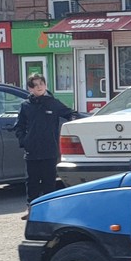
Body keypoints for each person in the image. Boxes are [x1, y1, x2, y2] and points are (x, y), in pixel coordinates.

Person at [13, 74, 80, 208]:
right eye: (35, 85)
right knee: (31, 181)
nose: (39, 87)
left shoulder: (53, 103)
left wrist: (73, 123)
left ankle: (48, 208)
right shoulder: (26, 105)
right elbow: (19, 126)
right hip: (32, 151)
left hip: (49, 150)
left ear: (45, 86)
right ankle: (31, 208)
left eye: (41, 84)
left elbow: (71, 114)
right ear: (30, 89)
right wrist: (24, 141)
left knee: (49, 182)